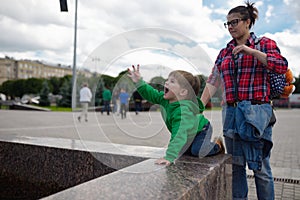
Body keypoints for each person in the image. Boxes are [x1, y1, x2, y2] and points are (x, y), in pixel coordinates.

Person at [200, 1, 288, 199]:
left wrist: (252, 52)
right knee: (236, 167)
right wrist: (199, 104)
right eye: (227, 24)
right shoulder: (224, 52)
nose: (230, 27)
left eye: (234, 22)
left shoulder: (264, 44)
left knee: (260, 168)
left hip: (256, 113)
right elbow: (213, 79)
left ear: (248, 22)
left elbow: (281, 65)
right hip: (230, 113)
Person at [128, 65, 225, 166]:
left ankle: (217, 145)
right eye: (167, 80)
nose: (166, 82)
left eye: (172, 81)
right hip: (188, 133)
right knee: (184, 152)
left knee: (197, 151)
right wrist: (139, 81)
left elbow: (179, 134)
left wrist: (169, 157)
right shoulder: (164, 99)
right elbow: (150, 93)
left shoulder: (183, 111)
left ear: (183, 92)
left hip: (201, 130)